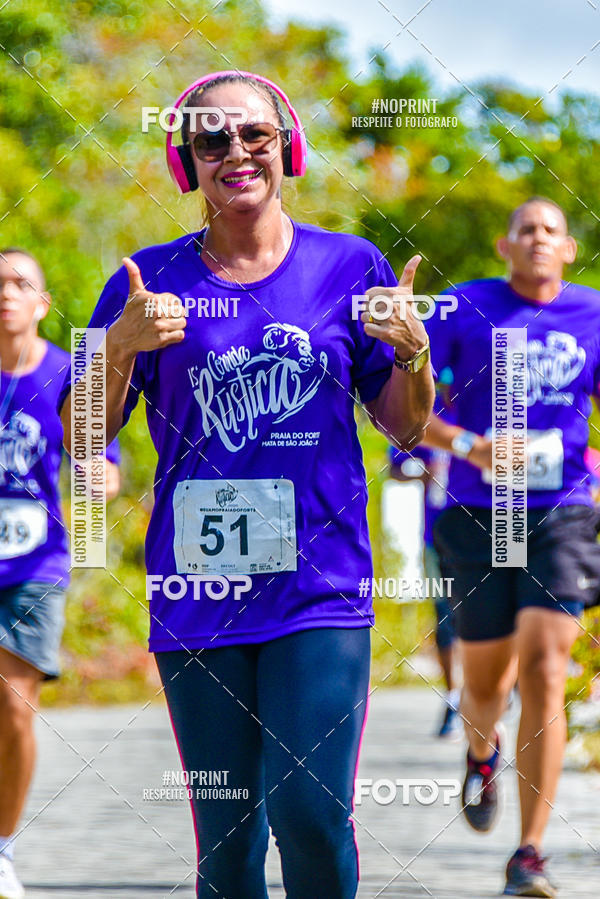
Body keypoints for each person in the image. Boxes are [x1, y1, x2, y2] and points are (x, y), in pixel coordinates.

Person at [58, 70, 434, 898]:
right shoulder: (145, 280)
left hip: (318, 583)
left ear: (285, 146)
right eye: (212, 138)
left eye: (255, 133)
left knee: (310, 813)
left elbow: (405, 426)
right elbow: (82, 434)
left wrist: (413, 353)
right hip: (199, 587)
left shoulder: (350, 265)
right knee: (228, 841)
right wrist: (117, 347)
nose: (236, 151)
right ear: (187, 160)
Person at [421, 197, 600, 897]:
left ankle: (529, 853)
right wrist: (471, 445)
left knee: (546, 672)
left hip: (561, 511)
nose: (538, 239)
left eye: (551, 230)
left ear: (568, 247)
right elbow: (407, 407)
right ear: (505, 245)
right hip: (477, 511)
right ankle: (481, 748)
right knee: (487, 684)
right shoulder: (464, 307)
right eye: (526, 229)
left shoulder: (592, 314)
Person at [0, 249, 120, 899]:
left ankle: (2, 848)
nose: (6, 294)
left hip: (35, 563)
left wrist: (101, 477)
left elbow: (105, 461)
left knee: (14, 704)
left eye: (21, 284)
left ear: (43, 304)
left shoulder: (69, 373)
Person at [388, 379, 461, 738]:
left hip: (484, 532)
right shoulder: (426, 412)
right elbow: (396, 466)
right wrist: (422, 472)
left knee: (487, 615)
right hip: (436, 536)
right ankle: (454, 697)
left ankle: (493, 693)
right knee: (445, 617)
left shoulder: (480, 408)